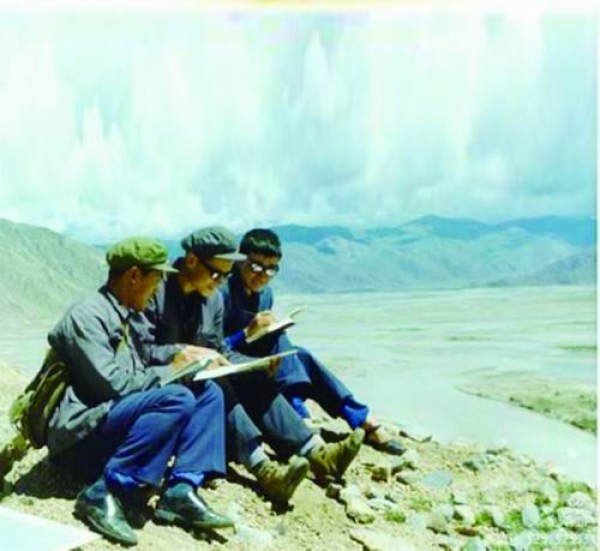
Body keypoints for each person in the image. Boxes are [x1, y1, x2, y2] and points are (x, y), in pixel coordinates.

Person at [133, 226, 364, 506]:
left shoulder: (213, 299)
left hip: (200, 377)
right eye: (216, 274)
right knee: (216, 386)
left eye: (225, 275)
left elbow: (220, 350)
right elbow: (138, 352)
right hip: (166, 385)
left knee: (253, 378)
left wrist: (254, 365)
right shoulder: (154, 292)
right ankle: (263, 469)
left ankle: (316, 453)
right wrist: (179, 353)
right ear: (191, 261)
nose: (220, 282)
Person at [46, 237, 233, 547]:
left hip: (113, 424)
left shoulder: (127, 314)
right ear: (134, 276)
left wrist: (182, 356)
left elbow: (145, 358)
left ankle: (181, 490)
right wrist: (170, 374)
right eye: (156, 279)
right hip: (80, 437)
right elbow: (111, 386)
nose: (158, 288)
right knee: (177, 398)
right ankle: (105, 491)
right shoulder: (88, 316)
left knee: (207, 392)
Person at [221, 228, 405, 455]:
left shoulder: (265, 294)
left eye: (271, 269)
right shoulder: (222, 293)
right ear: (240, 261)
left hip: (261, 359)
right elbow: (214, 347)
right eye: (256, 267)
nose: (262, 276)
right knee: (289, 348)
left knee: (301, 355)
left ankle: (360, 417)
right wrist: (245, 333)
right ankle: (304, 412)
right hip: (232, 366)